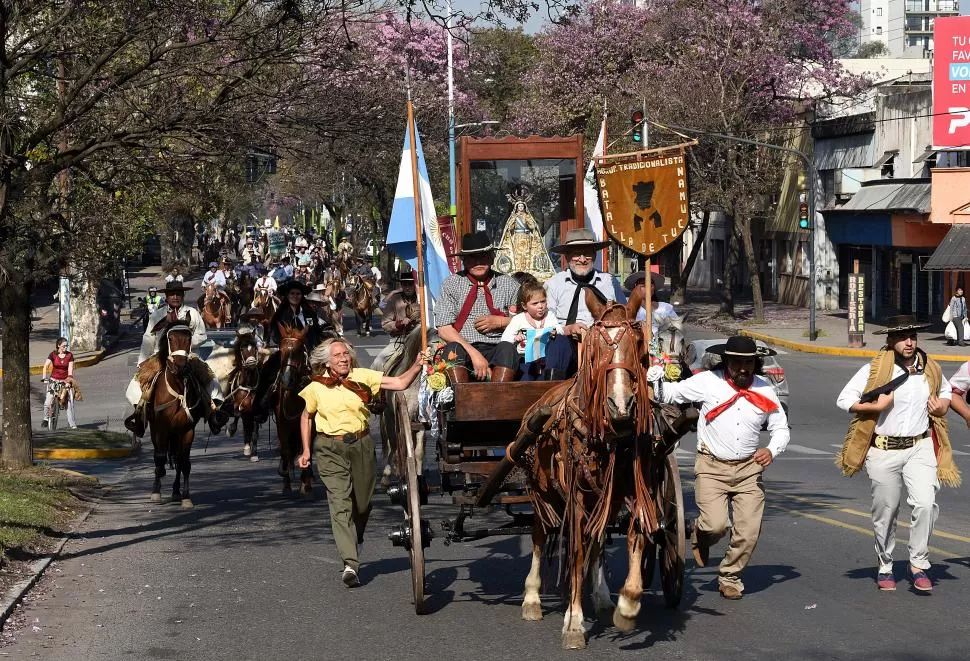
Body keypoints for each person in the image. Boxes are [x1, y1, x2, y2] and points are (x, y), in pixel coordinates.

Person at [652, 335, 790, 600]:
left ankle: (730, 576)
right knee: (715, 526)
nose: (742, 368)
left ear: (755, 364)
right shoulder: (708, 382)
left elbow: (780, 428)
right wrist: (656, 379)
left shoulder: (765, 390)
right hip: (712, 467)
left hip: (749, 469)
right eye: (737, 362)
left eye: (748, 363)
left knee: (748, 532)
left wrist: (771, 450)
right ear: (727, 361)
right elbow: (670, 394)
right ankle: (702, 538)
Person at [836, 315, 959, 593]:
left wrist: (942, 405)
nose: (909, 342)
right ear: (890, 341)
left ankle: (917, 563)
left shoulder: (930, 368)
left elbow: (947, 391)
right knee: (886, 511)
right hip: (883, 449)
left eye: (913, 337)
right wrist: (874, 407)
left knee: (926, 503)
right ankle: (885, 564)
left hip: (919, 446)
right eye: (903, 337)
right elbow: (844, 399)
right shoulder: (876, 369)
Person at [296, 338, 426, 587]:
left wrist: (417, 365)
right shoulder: (316, 386)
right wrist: (305, 450)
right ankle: (350, 564)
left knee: (363, 504)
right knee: (340, 503)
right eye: (337, 355)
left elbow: (399, 383)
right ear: (326, 361)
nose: (343, 358)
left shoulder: (362, 375)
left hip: (362, 445)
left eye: (346, 353)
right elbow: (306, 417)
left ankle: (357, 537)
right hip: (329, 448)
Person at [123, 282, 229, 437]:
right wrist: (143, 360)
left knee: (210, 379)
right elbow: (148, 338)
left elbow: (201, 336)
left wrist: (183, 345)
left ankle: (213, 413)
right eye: (172, 294)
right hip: (161, 355)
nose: (175, 297)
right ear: (166, 297)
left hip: (188, 355)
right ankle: (140, 416)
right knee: (137, 383)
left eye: (178, 294)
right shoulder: (157, 315)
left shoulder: (192, 313)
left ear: (183, 296)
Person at [435, 231, 520, 383]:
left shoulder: (509, 284)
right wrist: (475, 354)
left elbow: (527, 320)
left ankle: (499, 399)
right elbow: (444, 329)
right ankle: (459, 401)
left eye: (483, 256)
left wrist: (501, 322)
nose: (478, 262)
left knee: (508, 349)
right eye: (472, 258)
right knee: (452, 350)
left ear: (492, 259)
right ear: (464, 261)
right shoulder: (451, 284)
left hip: (498, 347)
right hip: (464, 347)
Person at [543, 228, 626, 379]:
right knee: (557, 344)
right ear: (567, 256)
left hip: (606, 344)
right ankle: (551, 393)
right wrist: (567, 329)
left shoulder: (609, 281)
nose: (582, 259)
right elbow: (544, 324)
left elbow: (624, 315)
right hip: (568, 345)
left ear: (594, 255)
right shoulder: (554, 284)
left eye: (587, 253)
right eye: (576, 254)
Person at [499, 281, 563, 380]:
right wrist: (516, 338)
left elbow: (560, 329)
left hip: (545, 359)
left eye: (543, 301)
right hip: (524, 360)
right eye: (535, 303)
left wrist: (555, 331)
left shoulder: (549, 316)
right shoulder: (518, 319)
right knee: (526, 381)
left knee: (543, 380)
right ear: (524, 306)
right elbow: (505, 339)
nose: (540, 306)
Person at [494, 197, 555, 280]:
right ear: (516, 208)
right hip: (517, 238)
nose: (520, 208)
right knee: (518, 255)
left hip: (526, 238)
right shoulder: (513, 217)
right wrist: (513, 222)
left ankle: (527, 271)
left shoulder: (527, 216)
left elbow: (533, 227)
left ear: (524, 207)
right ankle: (518, 271)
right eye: (519, 206)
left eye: (522, 206)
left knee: (527, 254)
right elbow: (509, 229)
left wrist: (528, 220)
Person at [269, 280, 323, 348]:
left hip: (309, 350)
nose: (295, 296)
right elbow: (275, 336)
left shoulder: (309, 314)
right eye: (292, 293)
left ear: (302, 296)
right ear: (287, 295)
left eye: (298, 294)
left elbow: (315, 332)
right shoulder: (280, 315)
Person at [41, 337, 78, 429]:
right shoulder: (53, 355)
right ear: (58, 346)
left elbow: (70, 370)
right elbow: (45, 366)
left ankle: (72, 425)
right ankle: (46, 418)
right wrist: (44, 378)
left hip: (65, 381)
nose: (66, 348)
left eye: (66, 346)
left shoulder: (69, 356)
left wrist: (69, 381)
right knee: (47, 402)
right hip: (53, 380)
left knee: (69, 403)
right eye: (64, 346)